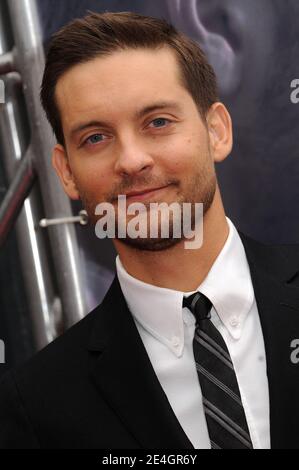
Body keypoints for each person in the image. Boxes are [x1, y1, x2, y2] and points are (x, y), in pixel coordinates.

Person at [0, 11, 298, 450]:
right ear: (65, 172)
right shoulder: (36, 405)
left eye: (157, 122)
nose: (132, 160)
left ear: (216, 131)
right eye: (96, 138)